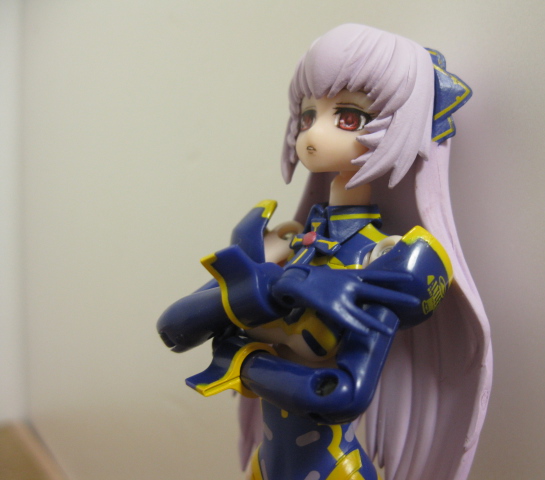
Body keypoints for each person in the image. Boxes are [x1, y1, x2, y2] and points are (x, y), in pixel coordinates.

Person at [158, 24, 491, 480]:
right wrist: (273, 287)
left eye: (348, 118)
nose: (313, 134)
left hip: (334, 470)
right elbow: (174, 328)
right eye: (308, 114)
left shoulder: (387, 259)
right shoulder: (288, 240)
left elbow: (341, 392)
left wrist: (242, 362)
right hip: (265, 466)